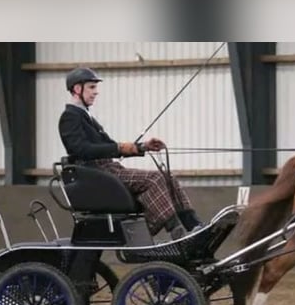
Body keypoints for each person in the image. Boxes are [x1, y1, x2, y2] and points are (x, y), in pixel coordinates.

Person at [58, 67, 203, 239]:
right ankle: (176, 232)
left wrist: (142, 147)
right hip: (97, 173)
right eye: (91, 87)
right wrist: (120, 148)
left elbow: (110, 145)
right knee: (155, 178)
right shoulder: (70, 116)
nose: (96, 92)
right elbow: (80, 149)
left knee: (168, 176)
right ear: (77, 89)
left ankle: (194, 226)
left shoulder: (85, 117)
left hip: (108, 170)